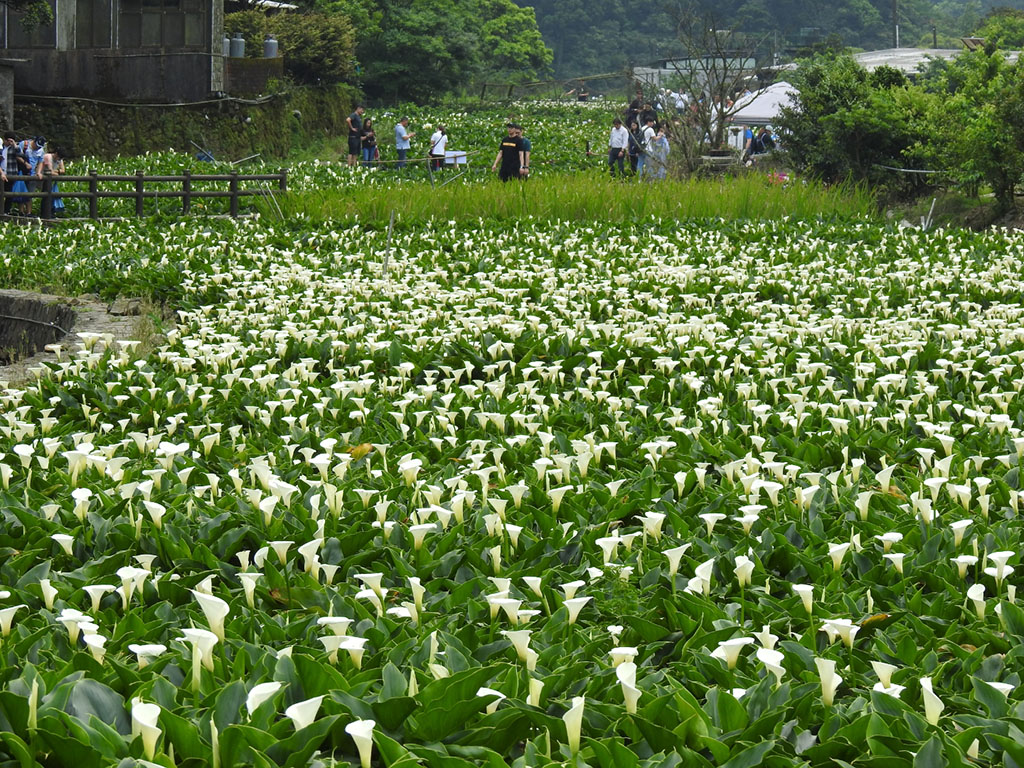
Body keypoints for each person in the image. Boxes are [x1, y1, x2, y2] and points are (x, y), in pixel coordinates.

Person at [1, 132, 30, 215]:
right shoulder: (1, 147)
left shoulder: (14, 148)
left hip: (11, 172)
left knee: (9, 193)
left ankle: (6, 211)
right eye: (8, 140)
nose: (8, 142)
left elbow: (21, 155)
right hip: (2, 171)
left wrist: (14, 145)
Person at [37, 145, 64, 219]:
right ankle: (44, 213)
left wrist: (56, 172)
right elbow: (50, 170)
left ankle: (51, 212)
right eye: (58, 157)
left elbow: (63, 170)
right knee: (45, 196)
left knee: (51, 196)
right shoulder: (48, 156)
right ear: (56, 153)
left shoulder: (59, 159)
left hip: (50, 179)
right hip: (43, 179)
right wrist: (57, 172)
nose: (59, 159)